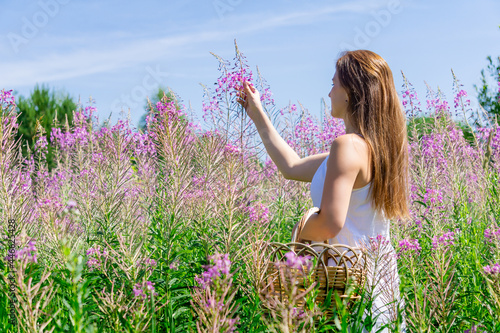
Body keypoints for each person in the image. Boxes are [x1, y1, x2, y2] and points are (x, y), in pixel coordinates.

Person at [237, 50, 409, 332]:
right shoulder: (375, 150)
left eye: (334, 84)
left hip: (345, 288)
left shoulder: (347, 147)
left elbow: (329, 223)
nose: (329, 93)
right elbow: (291, 166)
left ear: (350, 92)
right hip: (377, 284)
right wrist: (257, 112)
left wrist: (300, 230)